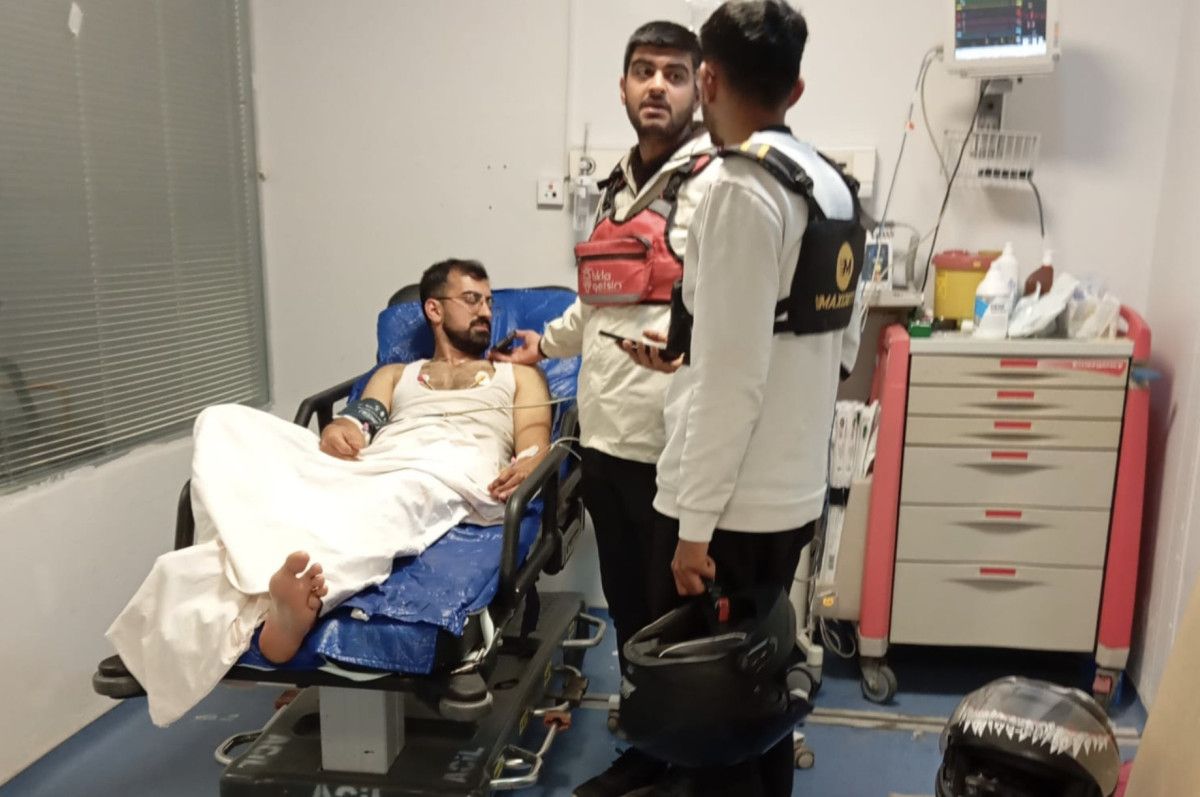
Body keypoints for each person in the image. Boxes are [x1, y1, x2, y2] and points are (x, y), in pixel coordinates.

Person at [106, 259, 553, 727]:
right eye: (472, 300)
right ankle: (269, 582)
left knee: (382, 502)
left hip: (448, 466)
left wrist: (528, 463)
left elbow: (534, 439)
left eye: (489, 302)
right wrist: (343, 430)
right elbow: (363, 420)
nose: (486, 312)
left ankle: (285, 611)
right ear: (434, 310)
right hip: (376, 462)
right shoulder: (396, 375)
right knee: (222, 422)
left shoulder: (518, 376)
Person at [626, 3, 865, 795]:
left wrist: (693, 528)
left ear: (708, 79)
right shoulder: (832, 185)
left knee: (706, 711)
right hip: (790, 490)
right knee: (760, 683)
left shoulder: (740, 188)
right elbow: (839, 340)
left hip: (727, 503)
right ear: (795, 89)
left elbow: (733, 382)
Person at [492, 20, 716, 797]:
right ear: (622, 87)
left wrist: (690, 343)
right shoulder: (619, 188)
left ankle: (686, 761)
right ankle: (651, 745)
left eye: (674, 74)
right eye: (644, 71)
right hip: (607, 438)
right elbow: (598, 300)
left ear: (699, 89)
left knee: (675, 616)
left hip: (675, 446)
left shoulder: (714, 184)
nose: (657, 85)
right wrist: (544, 345)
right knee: (628, 606)